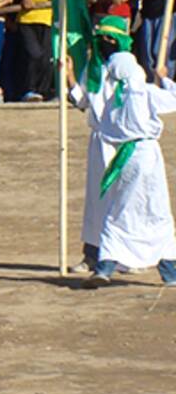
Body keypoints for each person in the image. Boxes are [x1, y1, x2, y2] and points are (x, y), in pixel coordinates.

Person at [74, 48, 176, 287]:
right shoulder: (146, 92)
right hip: (147, 155)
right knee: (156, 211)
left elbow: (108, 131)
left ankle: (105, 266)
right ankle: (169, 271)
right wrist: (164, 77)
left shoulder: (113, 102)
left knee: (118, 210)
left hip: (123, 157)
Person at [69, 17, 139, 271]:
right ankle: (93, 254)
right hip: (100, 141)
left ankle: (123, 255)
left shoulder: (131, 70)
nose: (106, 43)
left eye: (111, 39)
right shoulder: (94, 67)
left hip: (125, 142)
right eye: (102, 38)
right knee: (97, 198)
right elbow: (81, 100)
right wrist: (68, 74)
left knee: (123, 197)